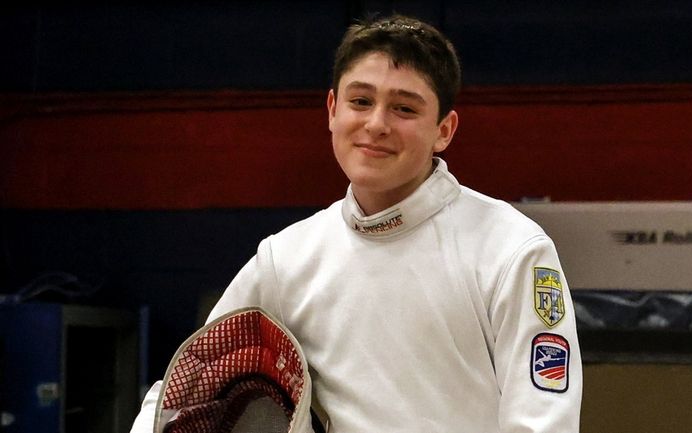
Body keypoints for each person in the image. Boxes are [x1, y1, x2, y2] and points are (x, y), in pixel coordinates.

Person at [131, 13, 582, 433]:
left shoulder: (511, 249)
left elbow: (543, 420)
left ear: (444, 130)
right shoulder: (287, 259)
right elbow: (186, 385)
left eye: (404, 108)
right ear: (332, 109)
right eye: (361, 101)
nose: (376, 124)